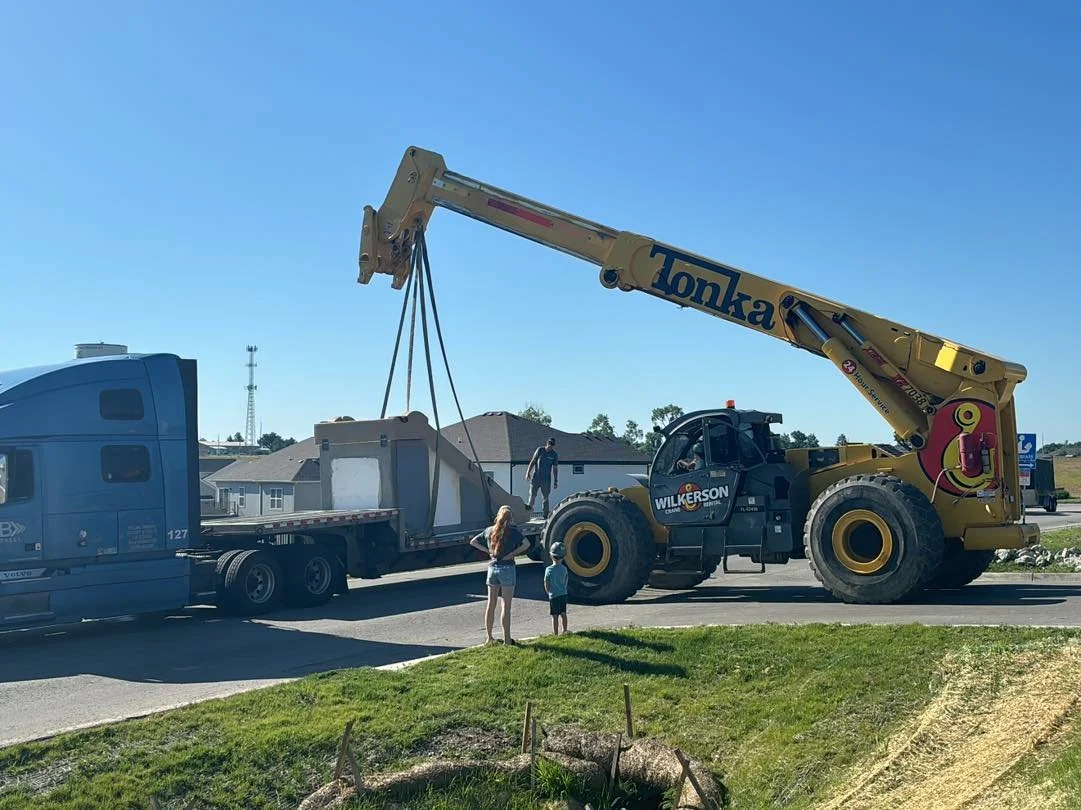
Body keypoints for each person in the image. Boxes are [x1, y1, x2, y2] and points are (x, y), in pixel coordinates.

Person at [469, 504, 530, 645]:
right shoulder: (513, 531)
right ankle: (507, 639)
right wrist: (512, 553)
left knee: (491, 604)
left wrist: (488, 551)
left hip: (492, 568)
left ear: (498, 516)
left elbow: (473, 541)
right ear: (511, 518)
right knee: (506, 606)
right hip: (507, 568)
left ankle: (489, 637)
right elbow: (526, 544)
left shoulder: (489, 530)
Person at [525, 437, 559, 517]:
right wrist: (528, 472)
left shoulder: (554, 455)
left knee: (545, 497)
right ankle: (528, 514)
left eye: (552, 444)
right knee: (532, 496)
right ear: (547, 443)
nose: (550, 446)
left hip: (546, 480)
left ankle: (545, 514)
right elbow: (533, 461)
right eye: (549, 444)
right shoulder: (540, 450)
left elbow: (555, 468)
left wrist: (555, 480)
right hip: (536, 478)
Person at [544, 541, 569, 635]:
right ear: (563, 557)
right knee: (563, 614)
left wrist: (548, 592)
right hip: (563, 594)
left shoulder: (548, 570)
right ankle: (564, 630)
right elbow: (566, 581)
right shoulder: (564, 569)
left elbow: (546, 583)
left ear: (551, 556)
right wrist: (563, 589)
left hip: (553, 595)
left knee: (554, 616)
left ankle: (555, 634)